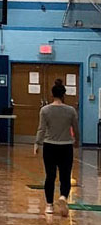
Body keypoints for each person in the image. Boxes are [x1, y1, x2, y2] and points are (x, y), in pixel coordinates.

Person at [34, 79, 78, 217]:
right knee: (65, 176)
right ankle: (63, 197)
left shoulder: (45, 110)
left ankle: (49, 206)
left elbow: (41, 129)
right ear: (64, 95)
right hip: (66, 147)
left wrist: (37, 143)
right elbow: (76, 128)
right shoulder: (71, 111)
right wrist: (77, 141)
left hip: (50, 147)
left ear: (52, 95)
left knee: (50, 176)